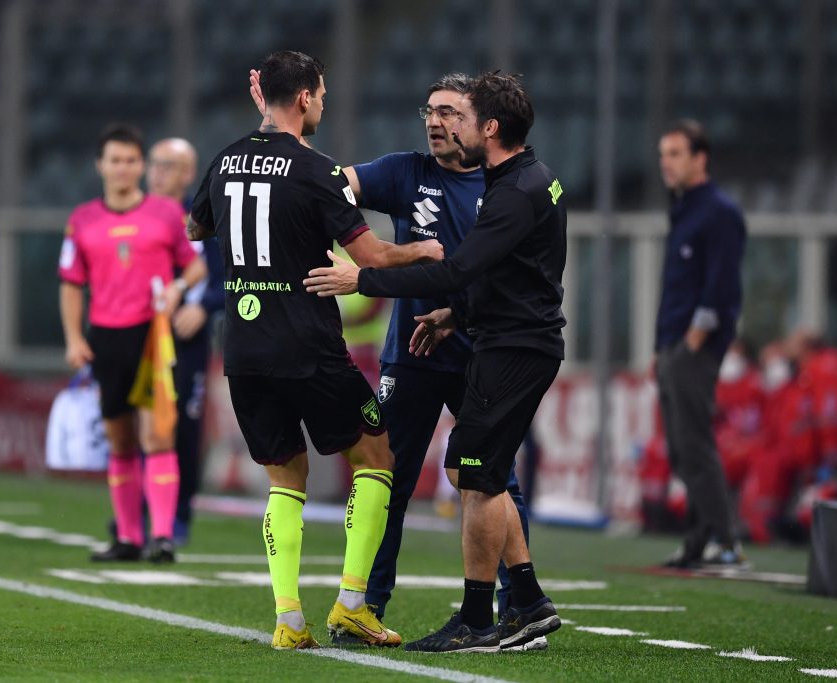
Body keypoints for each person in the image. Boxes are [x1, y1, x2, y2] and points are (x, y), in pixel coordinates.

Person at [250, 69, 542, 649]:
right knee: (389, 480)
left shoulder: (503, 185)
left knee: (494, 481)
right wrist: (278, 132)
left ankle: (516, 608)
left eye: (449, 112)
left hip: (480, 353)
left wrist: (372, 277)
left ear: (479, 122)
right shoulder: (406, 171)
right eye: (429, 110)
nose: (435, 121)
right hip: (410, 356)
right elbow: (329, 181)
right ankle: (366, 604)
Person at [187, 50, 443, 650]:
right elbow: (371, 256)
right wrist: (424, 250)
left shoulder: (225, 160)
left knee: (285, 476)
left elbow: (197, 228)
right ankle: (352, 604)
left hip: (244, 349)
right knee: (376, 455)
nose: (323, 103)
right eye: (321, 95)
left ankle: (289, 620)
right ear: (304, 98)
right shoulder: (317, 170)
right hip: (308, 346)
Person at [59, 123, 207, 563]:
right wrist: (73, 338)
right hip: (105, 338)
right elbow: (71, 283)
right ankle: (127, 537)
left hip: (152, 339)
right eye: (115, 160)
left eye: (130, 160)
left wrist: (177, 288)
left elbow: (196, 266)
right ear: (100, 166)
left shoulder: (166, 214)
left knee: (158, 436)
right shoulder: (82, 220)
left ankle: (161, 536)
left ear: (141, 166)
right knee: (120, 441)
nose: (122, 168)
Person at [654, 119, 747, 569]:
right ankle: (698, 540)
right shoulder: (683, 209)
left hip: (694, 347)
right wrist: (662, 347)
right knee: (680, 446)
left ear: (700, 158)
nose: (665, 164)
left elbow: (722, 285)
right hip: (673, 344)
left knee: (695, 444)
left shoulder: (718, 211)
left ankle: (726, 541)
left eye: (675, 154)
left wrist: (693, 341)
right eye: (663, 155)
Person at [146, 137, 225, 545]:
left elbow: (229, 277)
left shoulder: (201, 219)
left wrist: (204, 307)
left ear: (189, 173)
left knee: (182, 428)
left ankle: (178, 515)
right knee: (138, 425)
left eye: (169, 165)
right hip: (140, 337)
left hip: (184, 339)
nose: (158, 172)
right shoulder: (136, 215)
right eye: (155, 163)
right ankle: (138, 514)